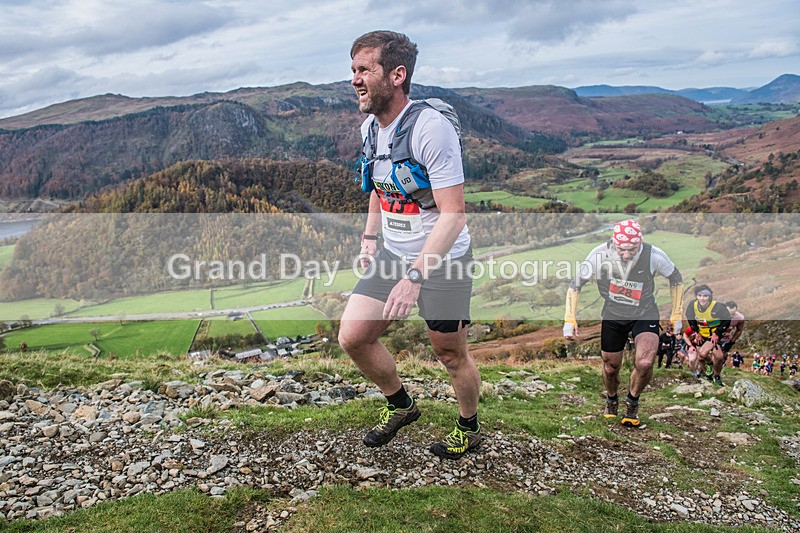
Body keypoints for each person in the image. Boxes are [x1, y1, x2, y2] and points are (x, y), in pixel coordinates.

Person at [339, 31, 480, 460]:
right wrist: (369, 237)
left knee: (450, 353)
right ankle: (401, 405)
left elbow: (454, 214)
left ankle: (469, 428)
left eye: (364, 70)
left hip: (444, 259)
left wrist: (414, 278)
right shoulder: (370, 128)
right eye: (353, 71)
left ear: (397, 75)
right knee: (353, 337)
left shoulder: (430, 129)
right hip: (393, 252)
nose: (355, 80)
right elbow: (378, 186)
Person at [564, 219, 684, 427]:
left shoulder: (653, 255)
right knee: (611, 366)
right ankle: (611, 398)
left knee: (645, 362)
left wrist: (676, 314)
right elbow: (576, 284)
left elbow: (676, 279)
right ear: (613, 243)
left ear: (640, 243)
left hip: (644, 312)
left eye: (632, 249)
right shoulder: (598, 255)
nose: (627, 254)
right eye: (621, 249)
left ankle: (632, 401)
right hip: (613, 314)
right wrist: (570, 318)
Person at [685, 284, 731, 386]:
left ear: (710, 296)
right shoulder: (692, 305)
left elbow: (727, 320)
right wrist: (696, 332)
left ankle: (717, 375)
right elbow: (690, 317)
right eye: (700, 295)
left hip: (714, 335)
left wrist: (717, 333)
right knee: (702, 354)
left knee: (719, 358)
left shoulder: (718, 307)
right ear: (696, 296)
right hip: (701, 334)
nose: (702, 299)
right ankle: (710, 365)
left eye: (705, 296)